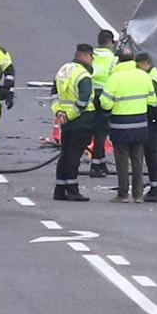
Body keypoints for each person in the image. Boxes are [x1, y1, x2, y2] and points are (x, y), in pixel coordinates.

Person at [100, 48, 157, 203]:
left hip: (120, 125)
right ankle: (138, 195)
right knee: (138, 160)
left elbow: (105, 103)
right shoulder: (144, 76)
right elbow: (152, 100)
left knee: (122, 161)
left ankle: (123, 194)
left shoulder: (115, 77)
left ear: (118, 60)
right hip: (140, 124)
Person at [51, 44, 96, 202]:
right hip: (81, 121)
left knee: (65, 154)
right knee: (73, 156)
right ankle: (72, 189)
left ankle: (60, 188)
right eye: (91, 57)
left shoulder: (63, 70)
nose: (92, 61)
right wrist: (69, 115)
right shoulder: (83, 75)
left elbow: (54, 95)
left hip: (66, 122)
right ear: (84, 56)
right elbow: (83, 101)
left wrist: (59, 113)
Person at [135, 52, 157, 203]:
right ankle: (155, 188)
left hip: (154, 119)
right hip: (155, 117)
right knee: (150, 154)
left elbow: (146, 97)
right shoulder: (154, 75)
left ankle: (156, 190)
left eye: (139, 65)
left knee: (152, 154)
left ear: (146, 63)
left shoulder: (152, 78)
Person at [88, 29, 116, 178]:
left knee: (96, 131)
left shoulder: (91, 55)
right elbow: (114, 78)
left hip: (90, 95)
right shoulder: (112, 58)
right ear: (110, 42)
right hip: (105, 96)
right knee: (101, 132)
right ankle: (96, 164)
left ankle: (101, 162)